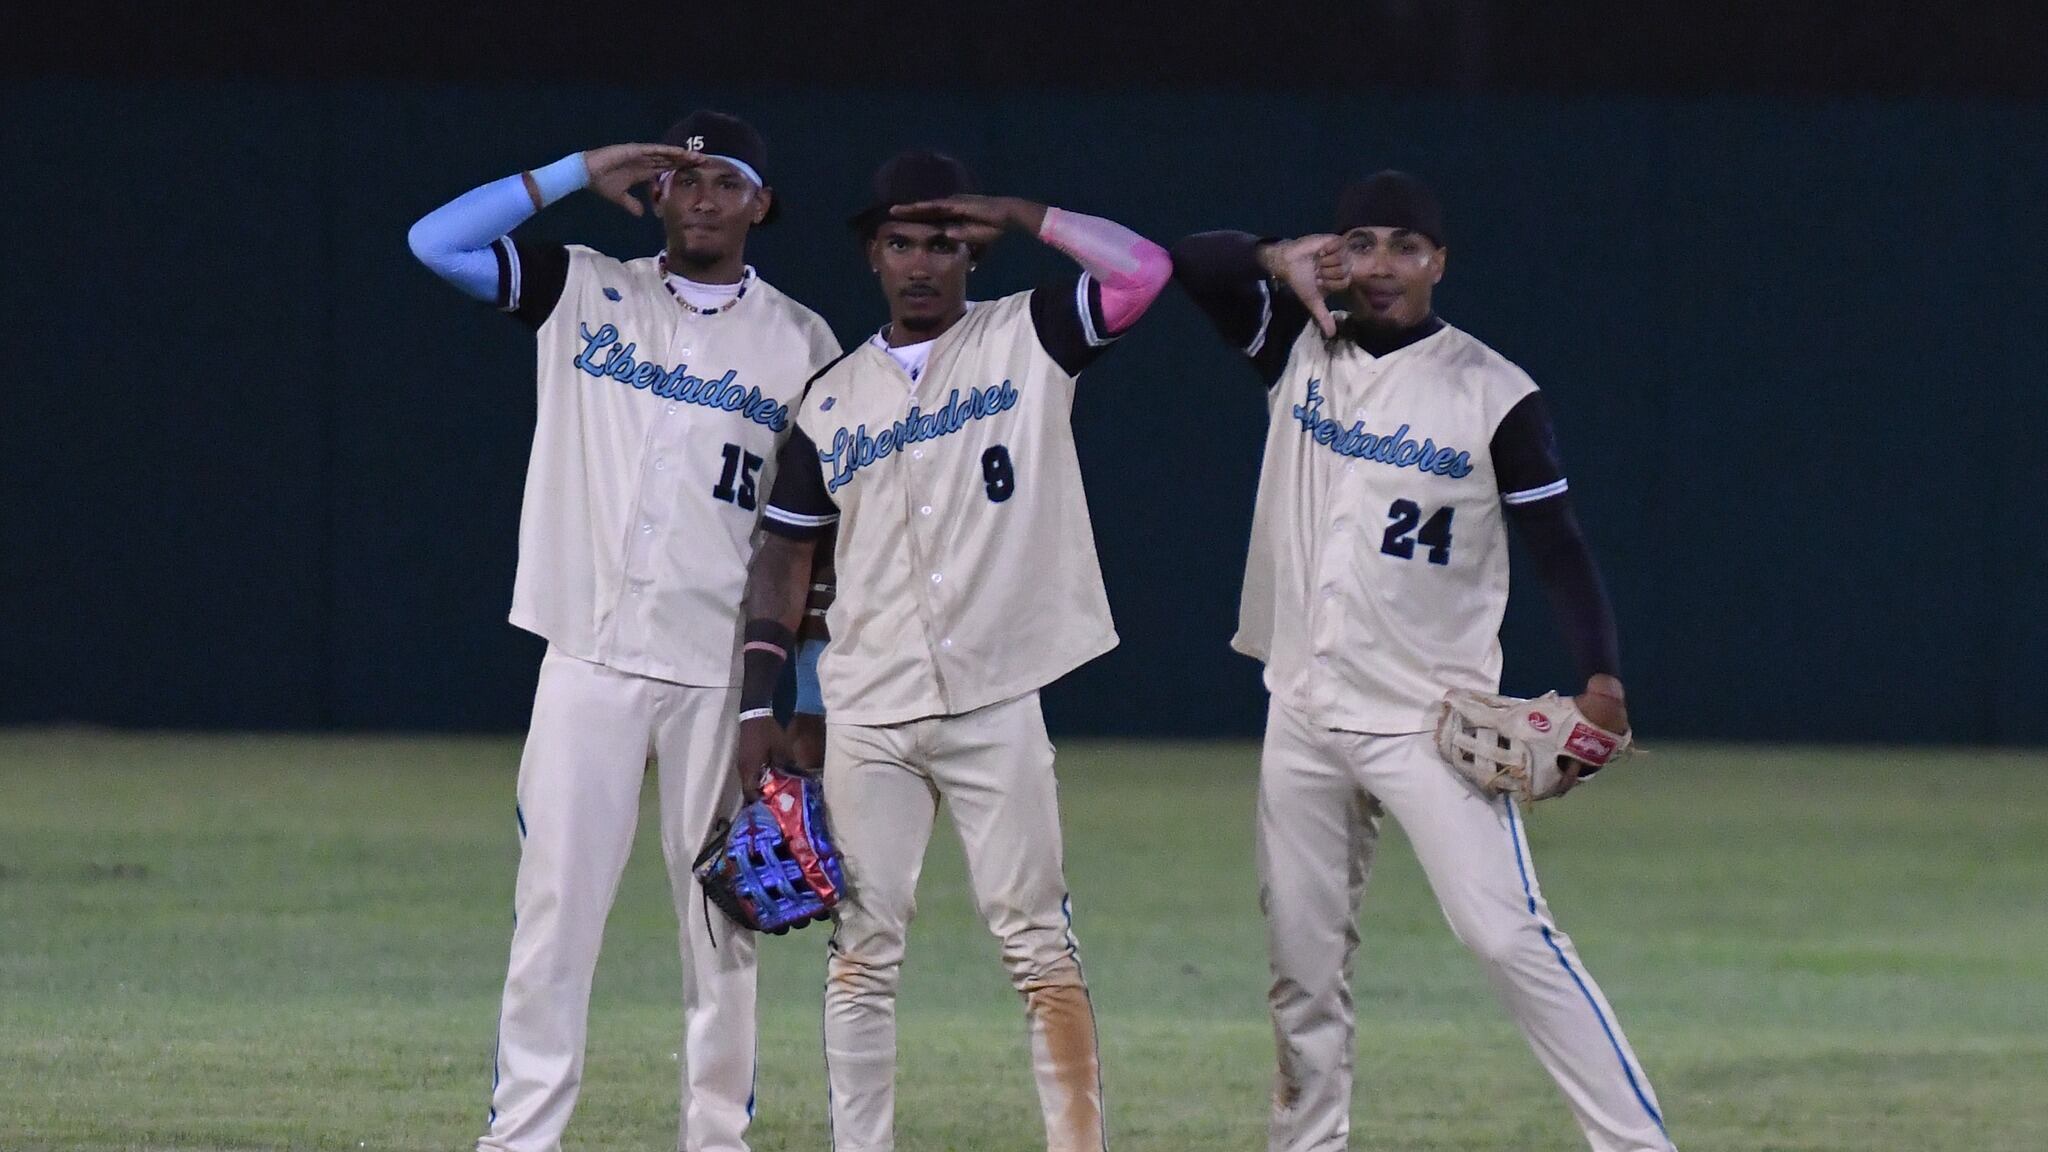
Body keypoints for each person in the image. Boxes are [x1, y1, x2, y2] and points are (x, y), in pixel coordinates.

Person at [1171, 171, 1675, 1152]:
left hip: (1425, 723)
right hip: (1302, 711)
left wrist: (1601, 678)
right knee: (1301, 966)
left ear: (1439, 262)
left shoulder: (1491, 392)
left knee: (1505, 934)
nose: (1383, 265)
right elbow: (1187, 261)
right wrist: (1278, 255)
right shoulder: (1296, 348)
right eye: (1361, 243)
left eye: (1406, 245)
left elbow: (1557, 546)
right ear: (1338, 257)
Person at [406, 110, 842, 1152]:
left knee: (724, 925)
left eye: (722, 178)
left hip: (717, 674)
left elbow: (819, 551)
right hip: (586, 656)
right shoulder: (585, 290)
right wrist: (575, 169)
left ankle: (714, 1138)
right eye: (680, 176)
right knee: (554, 920)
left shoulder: (801, 342)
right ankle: (522, 1139)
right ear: (652, 191)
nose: (699, 196)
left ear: (759, 203)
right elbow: (435, 242)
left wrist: (806, 702)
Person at [730, 151, 1171, 1152]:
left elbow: (1142, 271)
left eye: (942, 241)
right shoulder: (831, 397)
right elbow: (783, 563)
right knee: (861, 953)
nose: (921, 262)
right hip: (868, 711)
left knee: (1037, 950)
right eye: (900, 242)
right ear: (870, 257)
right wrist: (764, 706)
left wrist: (1022, 212)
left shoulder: (1027, 335)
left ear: (970, 250)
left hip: (992, 699)